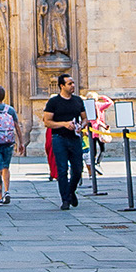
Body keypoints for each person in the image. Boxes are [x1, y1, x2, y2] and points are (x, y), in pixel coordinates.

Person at [42, 71, 87, 209]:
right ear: (62, 86)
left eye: (73, 83)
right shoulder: (54, 102)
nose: (73, 86)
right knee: (62, 170)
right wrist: (64, 124)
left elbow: (85, 118)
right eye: (69, 84)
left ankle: (71, 191)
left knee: (78, 169)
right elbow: (47, 122)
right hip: (59, 138)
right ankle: (65, 200)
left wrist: (81, 126)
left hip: (75, 138)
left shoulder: (78, 101)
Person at [0, 85, 22, 206]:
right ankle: (7, 191)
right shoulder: (10, 110)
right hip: (9, 141)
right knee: (6, 167)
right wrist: (21, 142)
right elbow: (17, 126)